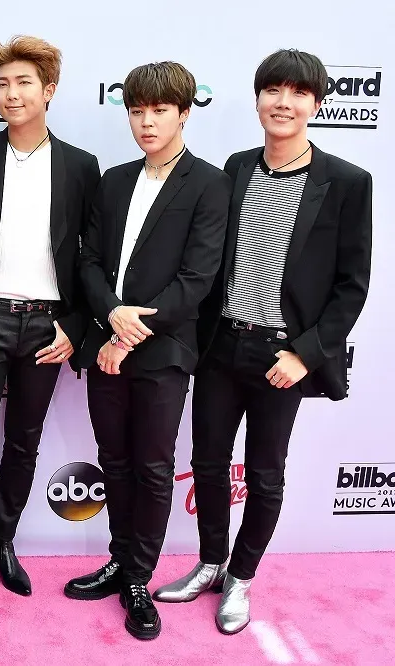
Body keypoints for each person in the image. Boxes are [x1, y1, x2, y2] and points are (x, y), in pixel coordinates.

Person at [153, 49, 372, 635]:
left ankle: (241, 578)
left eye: (298, 93)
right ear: (257, 100)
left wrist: (305, 354)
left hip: (284, 356)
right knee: (206, 462)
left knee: (266, 474)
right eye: (273, 90)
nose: (283, 103)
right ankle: (210, 563)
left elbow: (352, 285)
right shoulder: (236, 168)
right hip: (222, 346)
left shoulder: (347, 182)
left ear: (316, 104)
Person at [0, 35, 101, 633]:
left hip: (48, 327)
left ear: (48, 90)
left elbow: (92, 258)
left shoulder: (80, 166)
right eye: (2, 83)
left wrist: (75, 327)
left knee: (24, 444)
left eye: (23, 82)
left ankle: (2, 543)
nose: (10, 94)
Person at [63, 61, 230, 641]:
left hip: (164, 351)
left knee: (154, 468)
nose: (146, 122)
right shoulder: (112, 181)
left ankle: (138, 578)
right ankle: (118, 560)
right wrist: (111, 316)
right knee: (114, 462)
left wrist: (128, 334)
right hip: (105, 343)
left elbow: (197, 279)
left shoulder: (210, 184)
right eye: (137, 111)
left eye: (159, 110)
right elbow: (88, 262)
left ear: (184, 113)